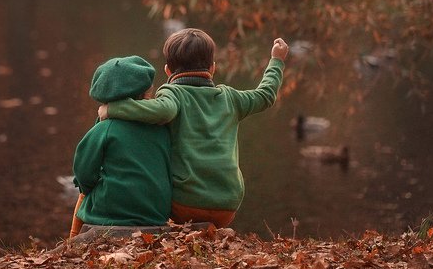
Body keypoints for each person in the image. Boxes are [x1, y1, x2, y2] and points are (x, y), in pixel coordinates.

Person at [98, 29, 288, 227]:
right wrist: (276, 61)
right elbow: (266, 95)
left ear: (168, 71)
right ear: (212, 68)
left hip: (183, 204)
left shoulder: (173, 93)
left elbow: (162, 110)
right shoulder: (231, 99)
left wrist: (113, 108)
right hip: (228, 204)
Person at [69, 55, 172, 238]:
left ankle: (73, 239)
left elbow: (83, 172)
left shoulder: (104, 129)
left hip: (110, 214)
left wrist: (89, 187)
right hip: (156, 213)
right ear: (146, 93)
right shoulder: (162, 128)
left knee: (85, 198)